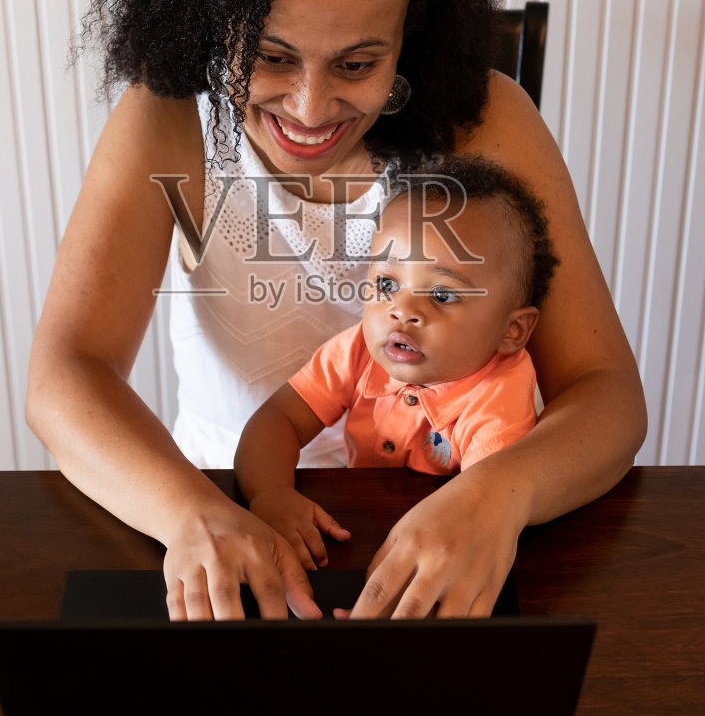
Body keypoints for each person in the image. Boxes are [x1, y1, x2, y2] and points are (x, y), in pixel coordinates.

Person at [25, 0, 646, 622]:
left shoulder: (486, 120)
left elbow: (606, 391)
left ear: (410, 31)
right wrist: (193, 512)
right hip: (221, 523)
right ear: (210, 19)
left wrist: (502, 493)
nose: (311, 109)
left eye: (356, 64)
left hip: (440, 525)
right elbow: (65, 377)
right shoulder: (168, 120)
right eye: (273, 58)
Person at [235, 157, 557, 575]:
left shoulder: (501, 389)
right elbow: (277, 418)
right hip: (358, 527)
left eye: (442, 295)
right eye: (387, 284)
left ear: (512, 330)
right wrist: (271, 493)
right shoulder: (361, 351)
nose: (401, 311)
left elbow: (480, 507)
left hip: (447, 546)